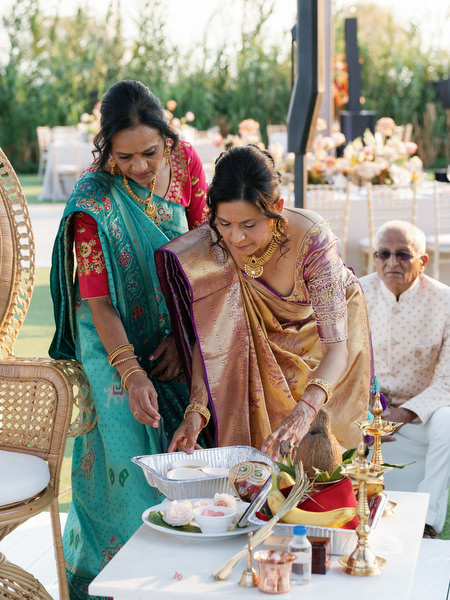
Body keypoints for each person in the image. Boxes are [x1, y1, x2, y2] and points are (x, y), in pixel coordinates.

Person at [49, 79, 208, 597]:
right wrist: (131, 370)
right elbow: (97, 302)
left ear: (168, 138)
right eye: (124, 157)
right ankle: (113, 582)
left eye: (149, 152)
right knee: (128, 466)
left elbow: (209, 255)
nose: (140, 167)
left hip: (175, 337)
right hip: (109, 340)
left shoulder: (187, 167)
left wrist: (184, 344)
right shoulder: (93, 204)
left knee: (187, 459)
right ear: (106, 150)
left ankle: (181, 581)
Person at [154, 144, 373, 460]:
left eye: (249, 225)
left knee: (324, 459)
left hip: (330, 346)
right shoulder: (214, 243)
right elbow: (212, 335)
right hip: (259, 367)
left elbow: (336, 350)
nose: (237, 239)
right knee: (261, 468)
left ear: (277, 208)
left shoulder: (312, 241)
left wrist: (304, 412)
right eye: (225, 223)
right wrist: (196, 412)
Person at [360, 220, 450, 539]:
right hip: (366, 415)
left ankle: (428, 522)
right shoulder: (356, 294)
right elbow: (341, 362)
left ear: (422, 261)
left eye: (403, 255)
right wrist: (368, 415)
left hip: (421, 415)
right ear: (374, 258)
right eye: (383, 254)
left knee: (448, 422)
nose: (391, 263)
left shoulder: (445, 301)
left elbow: (447, 381)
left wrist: (400, 416)